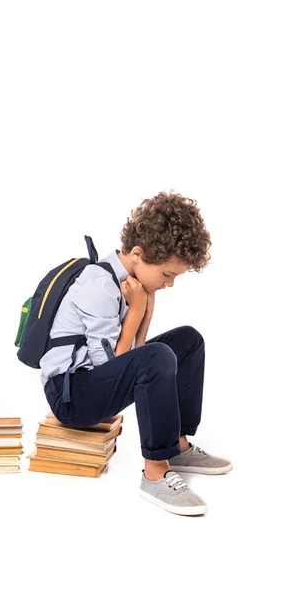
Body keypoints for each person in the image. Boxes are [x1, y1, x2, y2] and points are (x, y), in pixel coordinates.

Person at [41, 190, 232, 516]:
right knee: (158, 357)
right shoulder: (99, 285)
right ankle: (155, 473)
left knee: (188, 341)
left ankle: (178, 446)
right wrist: (136, 312)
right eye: (168, 274)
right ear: (139, 254)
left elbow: (134, 357)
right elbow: (113, 364)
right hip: (72, 397)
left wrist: (146, 311)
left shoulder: (127, 281)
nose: (170, 283)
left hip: (94, 382)